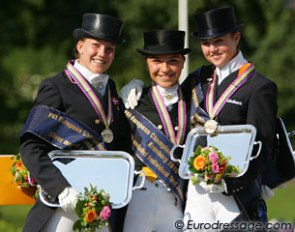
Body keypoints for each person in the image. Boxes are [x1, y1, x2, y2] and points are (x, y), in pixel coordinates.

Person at [120, 5, 278, 230]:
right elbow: (167, 96)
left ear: (236, 37)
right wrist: (137, 85)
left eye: (219, 41)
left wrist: (231, 183)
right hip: (195, 193)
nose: (212, 49)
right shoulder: (201, 80)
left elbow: (261, 147)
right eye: (206, 43)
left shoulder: (260, 87)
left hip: (234, 196)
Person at [19, 13, 131, 232]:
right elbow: (31, 147)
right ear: (80, 46)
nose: (102, 53)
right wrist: (61, 189)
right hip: (64, 204)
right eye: (96, 45)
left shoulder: (110, 89)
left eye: (110, 49)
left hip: (101, 203)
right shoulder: (56, 86)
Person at [123, 30, 201, 232]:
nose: (165, 69)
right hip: (138, 195)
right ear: (147, 63)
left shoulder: (194, 100)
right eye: (156, 61)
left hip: (176, 198)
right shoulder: (134, 101)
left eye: (173, 61)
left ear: (183, 62)